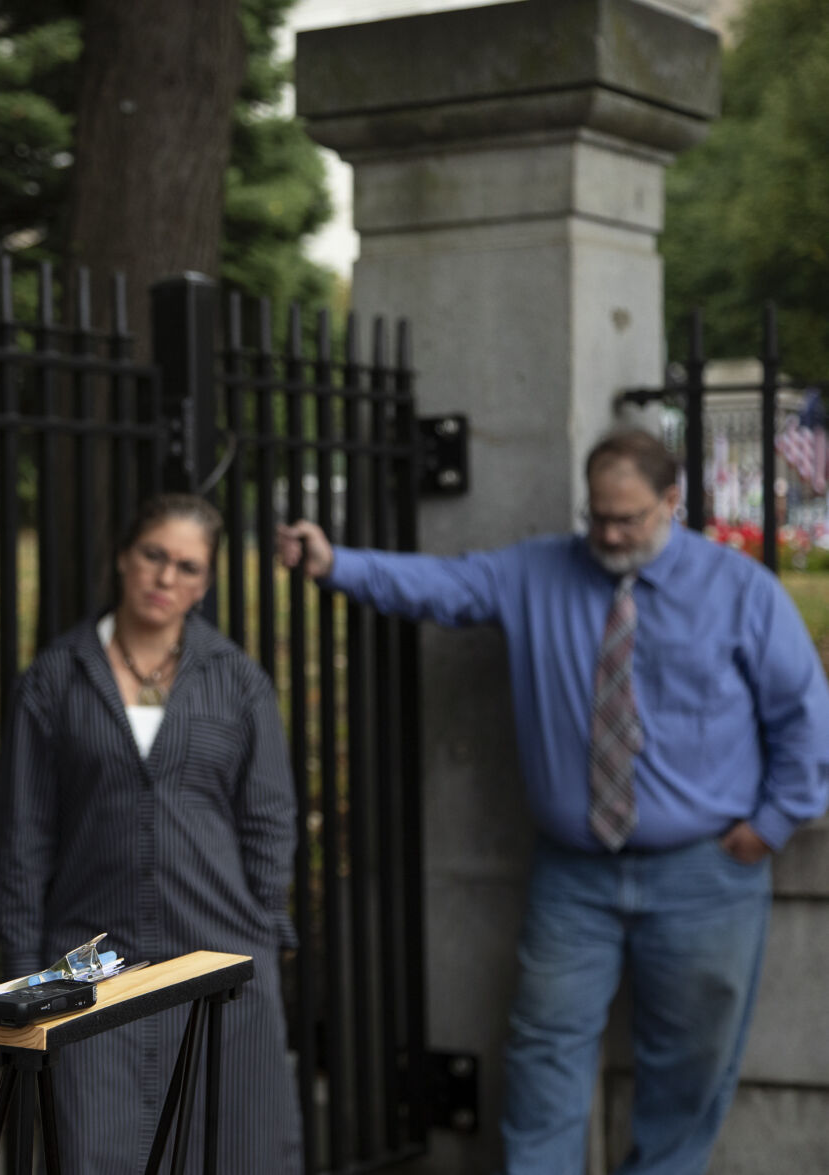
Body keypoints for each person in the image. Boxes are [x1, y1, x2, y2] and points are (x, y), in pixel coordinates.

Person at [277, 428, 829, 1175]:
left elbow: (802, 713)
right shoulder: (536, 572)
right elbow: (441, 585)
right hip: (574, 874)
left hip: (704, 874)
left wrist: (769, 825)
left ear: (671, 502)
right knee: (542, 1053)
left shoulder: (739, 588)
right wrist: (333, 563)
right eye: (595, 514)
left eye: (626, 518)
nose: (605, 532)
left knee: (689, 1067)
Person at [0, 493, 303, 1174]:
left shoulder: (238, 683)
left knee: (234, 1150)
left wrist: (261, 921)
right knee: (93, 1151)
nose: (167, 578)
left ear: (206, 582)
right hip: (90, 969)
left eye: (188, 567)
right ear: (123, 557)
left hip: (220, 959)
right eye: (154, 556)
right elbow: (23, 836)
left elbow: (268, 819)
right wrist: (21, 969)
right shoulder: (54, 679)